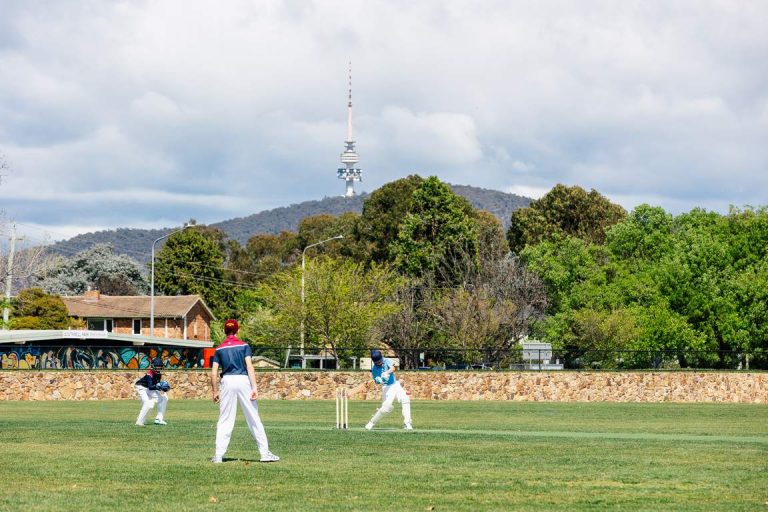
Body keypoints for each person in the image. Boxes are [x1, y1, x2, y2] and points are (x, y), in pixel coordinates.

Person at [210, 319, 279, 463]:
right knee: (253, 417)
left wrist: (215, 391)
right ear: (237, 330)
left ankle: (218, 455)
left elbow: (214, 372)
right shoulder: (244, 346)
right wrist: (254, 387)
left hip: (227, 381)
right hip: (243, 380)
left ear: (224, 331)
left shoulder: (219, 349)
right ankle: (264, 454)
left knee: (225, 419)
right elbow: (249, 366)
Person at [365, 349, 413, 430]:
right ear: (374, 362)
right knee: (386, 408)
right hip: (386, 388)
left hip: (395, 384)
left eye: (380, 361)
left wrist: (386, 372)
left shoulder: (386, 360)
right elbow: (376, 380)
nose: (380, 363)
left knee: (405, 399)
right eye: (377, 362)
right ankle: (371, 422)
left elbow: (393, 368)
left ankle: (407, 423)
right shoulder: (374, 369)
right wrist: (379, 380)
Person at [134, 357, 168, 426]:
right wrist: (159, 387)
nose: (158, 369)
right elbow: (150, 386)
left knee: (164, 397)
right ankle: (139, 422)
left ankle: (159, 419)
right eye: (157, 367)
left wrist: (163, 388)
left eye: (160, 367)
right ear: (153, 366)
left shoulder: (159, 374)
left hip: (149, 388)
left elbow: (156, 385)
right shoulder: (150, 374)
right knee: (147, 403)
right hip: (141, 387)